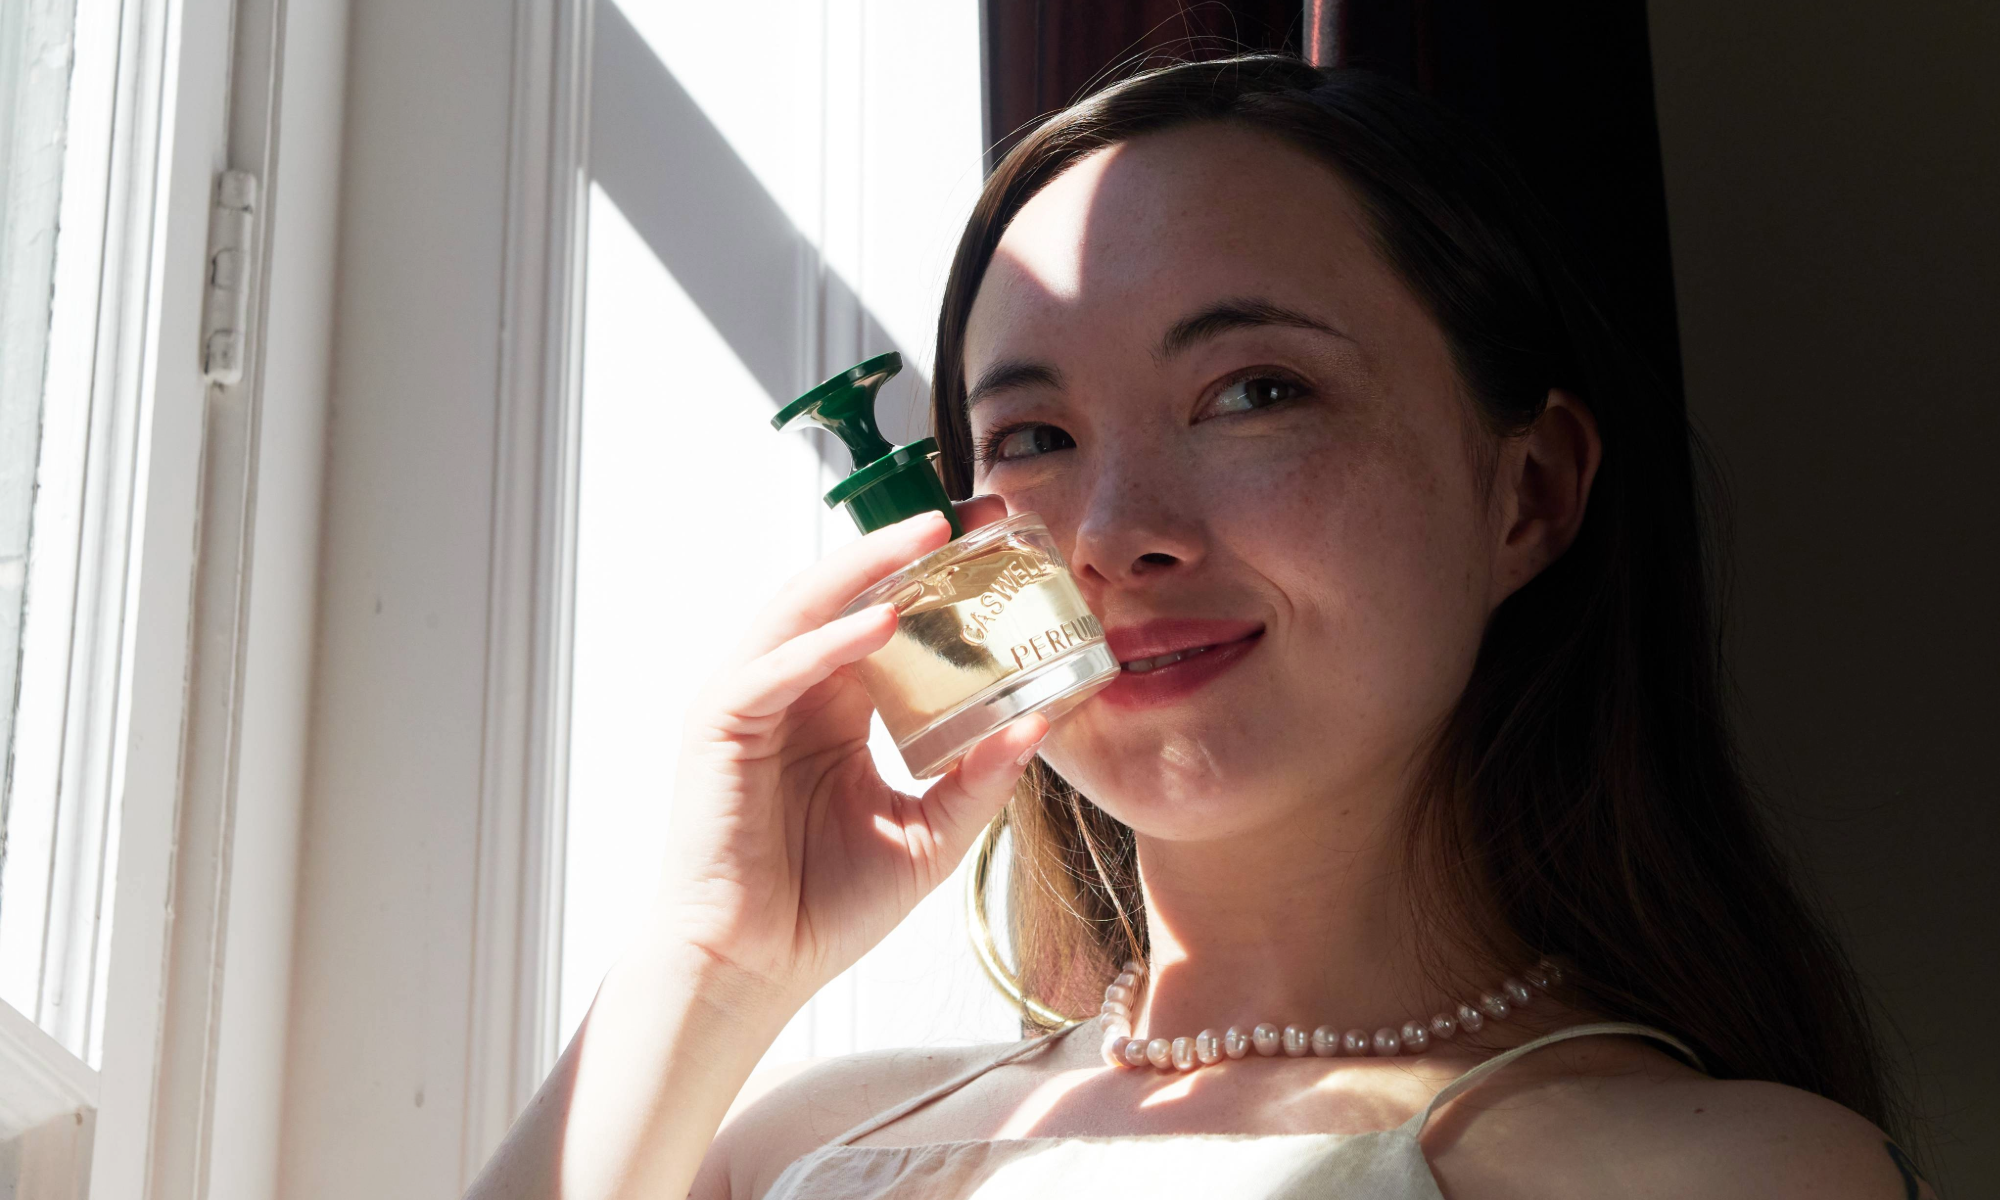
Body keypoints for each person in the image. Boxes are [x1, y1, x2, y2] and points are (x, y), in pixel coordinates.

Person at [467, 56, 1935, 1200]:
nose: (1114, 535)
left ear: (1528, 493)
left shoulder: (1729, 1175)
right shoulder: (791, 1148)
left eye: (1256, 393)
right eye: (1031, 435)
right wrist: (715, 959)